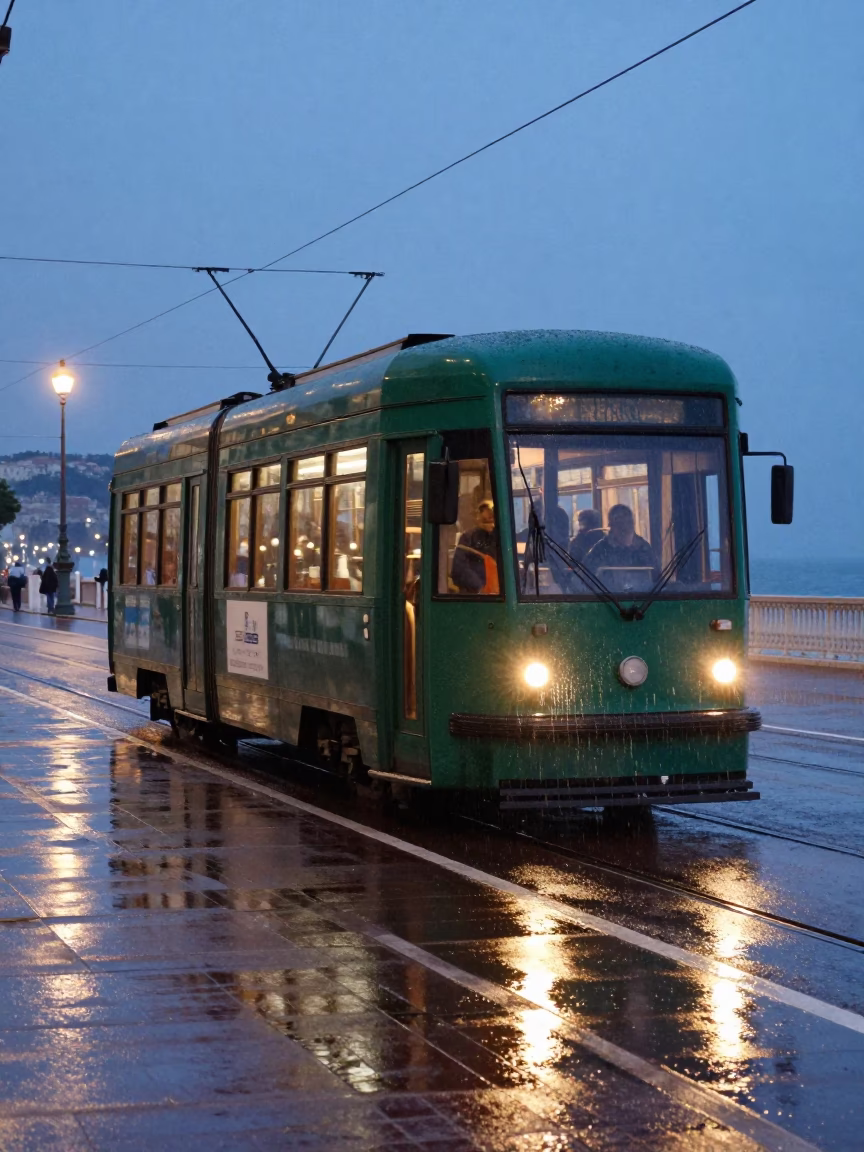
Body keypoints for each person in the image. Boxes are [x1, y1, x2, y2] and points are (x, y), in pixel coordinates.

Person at [585, 504, 657, 588]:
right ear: (611, 526)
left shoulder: (644, 549)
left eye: (628, 522)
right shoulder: (600, 550)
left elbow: (658, 579)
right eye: (619, 523)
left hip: (644, 599)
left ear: (633, 524)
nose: (625, 527)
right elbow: (584, 579)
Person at [451, 499, 499, 594]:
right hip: (474, 597)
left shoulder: (502, 538)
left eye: (492, 514)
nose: (489, 517)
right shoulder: (468, 538)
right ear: (477, 516)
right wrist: (479, 588)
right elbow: (459, 568)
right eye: (484, 512)